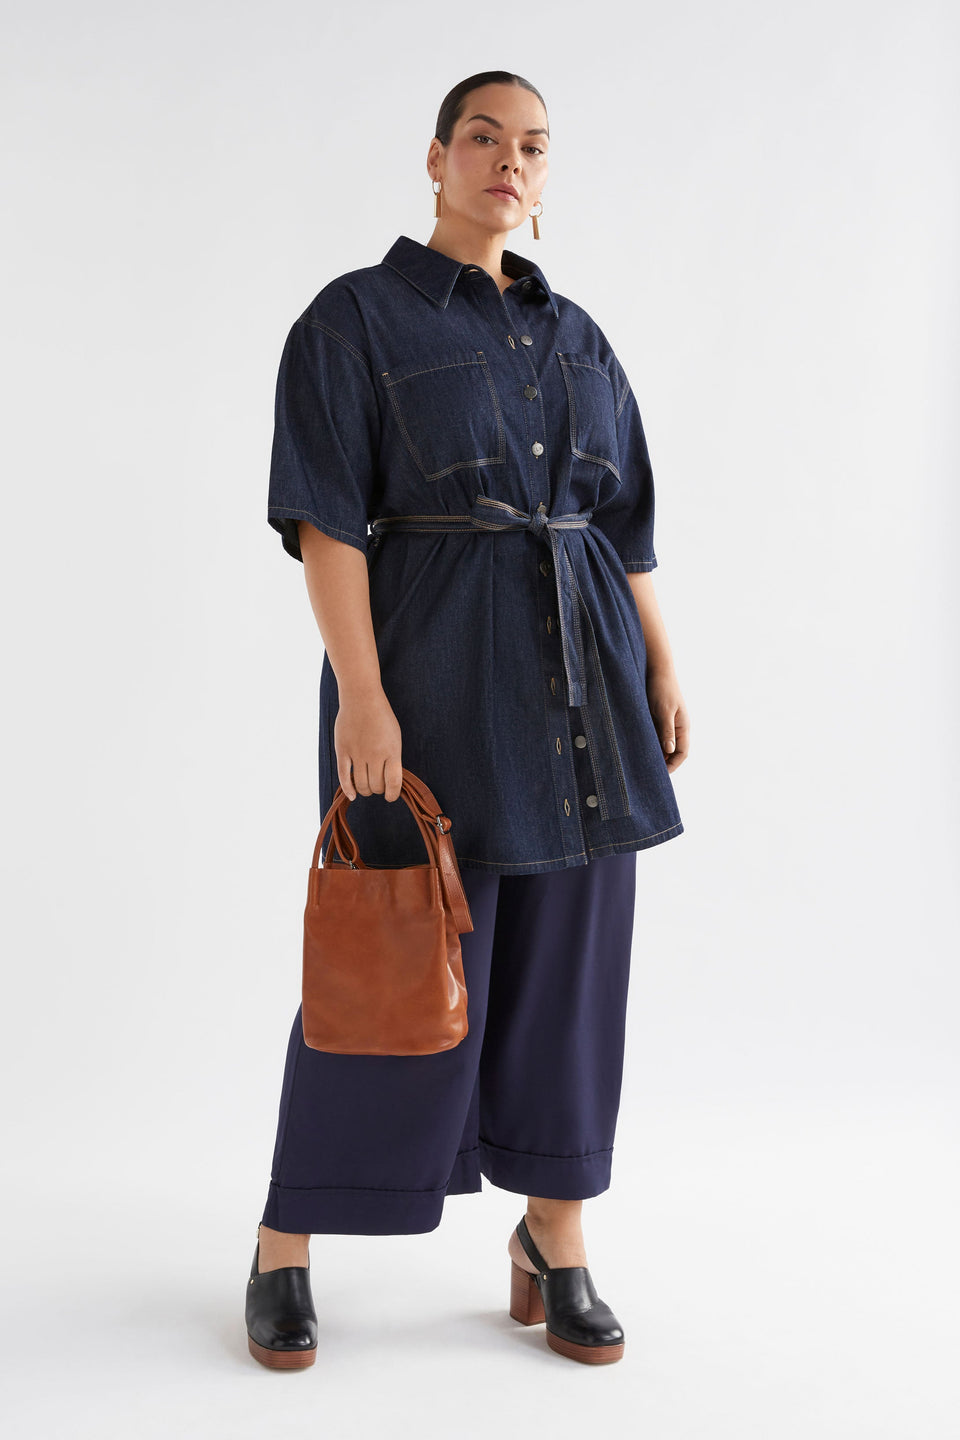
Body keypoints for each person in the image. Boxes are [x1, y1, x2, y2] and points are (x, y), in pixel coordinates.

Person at [245, 69, 690, 1370]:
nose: (510, 161)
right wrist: (362, 694)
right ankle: (284, 1242)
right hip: (429, 684)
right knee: (388, 972)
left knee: (570, 978)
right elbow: (327, 520)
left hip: (586, 693)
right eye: (485, 138)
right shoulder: (355, 319)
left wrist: (663, 665)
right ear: (436, 158)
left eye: (533, 146)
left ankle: (558, 1236)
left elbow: (624, 526)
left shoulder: (580, 338)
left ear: (546, 179)